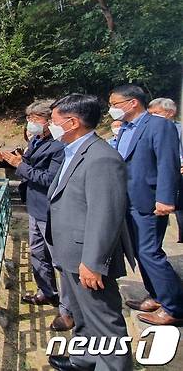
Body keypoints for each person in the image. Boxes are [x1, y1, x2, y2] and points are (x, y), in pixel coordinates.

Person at [46, 94, 133, 371]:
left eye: (54, 121)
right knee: (82, 314)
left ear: (72, 122)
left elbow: (105, 215)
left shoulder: (101, 158)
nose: (50, 126)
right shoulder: (73, 151)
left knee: (105, 321)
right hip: (70, 253)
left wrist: (94, 263)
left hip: (88, 259)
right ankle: (84, 360)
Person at [0, 100, 73, 332]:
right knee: (37, 252)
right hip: (33, 205)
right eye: (29, 119)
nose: (30, 124)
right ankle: (47, 292)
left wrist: (17, 164)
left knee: (58, 260)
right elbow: (27, 165)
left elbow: (49, 179)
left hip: (49, 208)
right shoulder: (37, 141)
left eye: (35, 120)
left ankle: (68, 309)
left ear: (49, 121)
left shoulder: (60, 145)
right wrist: (5, 158)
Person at [109, 85, 183, 326]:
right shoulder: (125, 129)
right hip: (129, 200)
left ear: (132, 103)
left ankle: (175, 307)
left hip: (150, 201)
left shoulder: (159, 125)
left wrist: (166, 198)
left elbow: (167, 164)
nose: (111, 109)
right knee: (141, 252)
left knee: (150, 252)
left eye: (115, 104)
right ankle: (157, 296)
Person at [147, 97, 183, 244]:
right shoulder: (150, 129)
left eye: (156, 112)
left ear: (169, 112)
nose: (152, 117)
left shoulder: (179, 129)